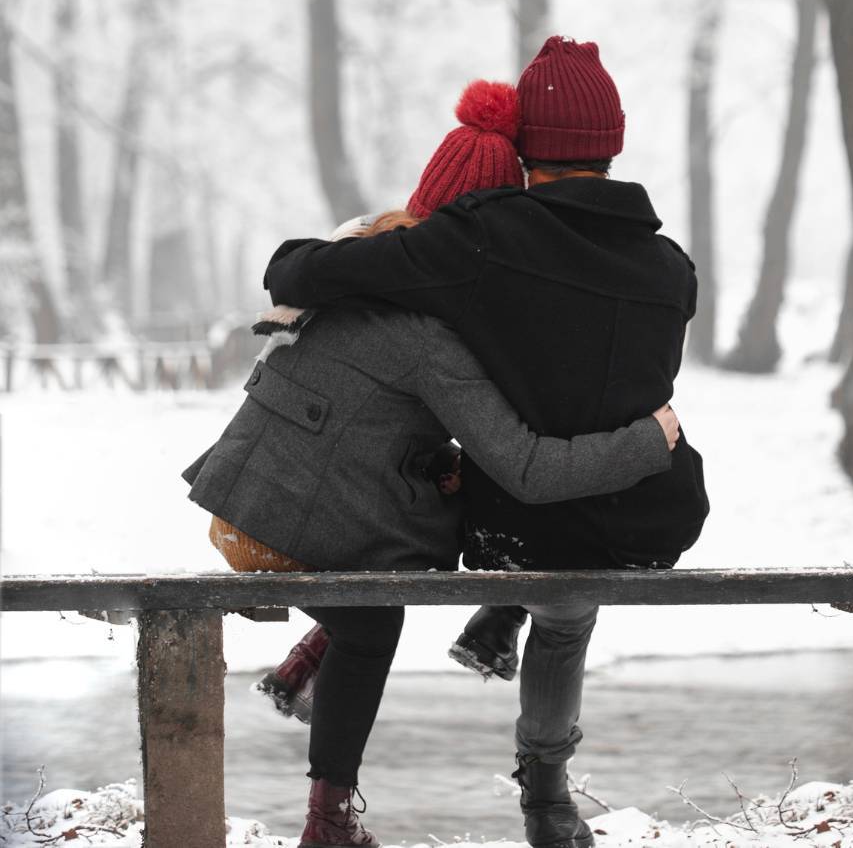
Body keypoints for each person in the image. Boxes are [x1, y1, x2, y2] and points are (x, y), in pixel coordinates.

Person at [183, 79, 680, 848]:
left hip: (241, 500)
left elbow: (357, 408)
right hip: (284, 529)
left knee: (439, 505)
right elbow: (529, 471)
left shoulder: (362, 252)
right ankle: (328, 823)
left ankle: (328, 674)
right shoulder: (434, 339)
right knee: (386, 607)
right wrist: (650, 440)